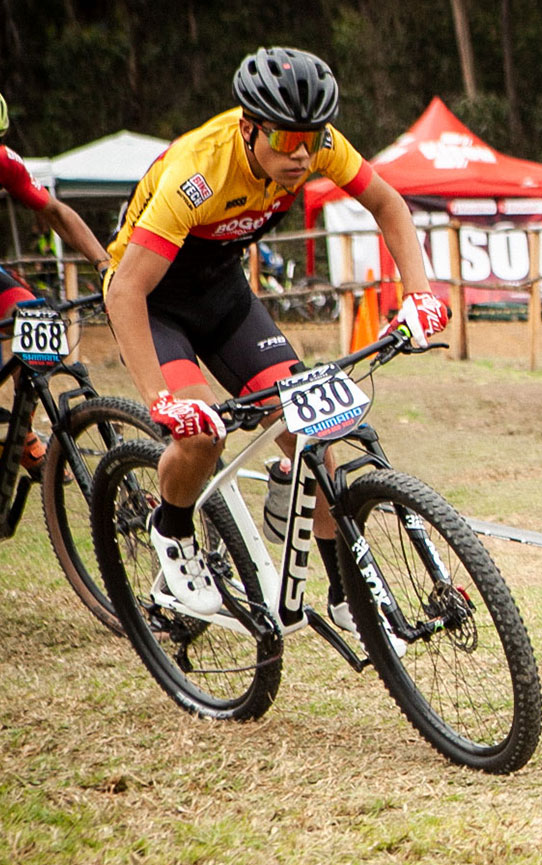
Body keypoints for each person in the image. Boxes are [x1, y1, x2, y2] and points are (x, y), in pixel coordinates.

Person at [103, 47, 447, 621]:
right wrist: (160, 402)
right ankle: (172, 528)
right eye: (286, 142)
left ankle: (346, 599)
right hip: (153, 303)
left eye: (311, 140)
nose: (302, 155)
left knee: (316, 443)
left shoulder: (319, 147)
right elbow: (125, 292)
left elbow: (388, 205)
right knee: (201, 437)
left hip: (224, 298)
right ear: (249, 128)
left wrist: (419, 293)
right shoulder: (199, 170)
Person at [1, 92, 115, 468]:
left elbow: (57, 212)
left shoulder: (4, 162)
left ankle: (22, 430)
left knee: (31, 312)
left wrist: (104, 265)